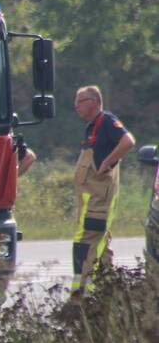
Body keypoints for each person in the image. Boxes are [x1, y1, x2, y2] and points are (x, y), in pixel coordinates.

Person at [69, 85, 135, 296]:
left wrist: (107, 161)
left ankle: (83, 290)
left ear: (94, 102)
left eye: (80, 101)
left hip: (98, 200)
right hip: (88, 201)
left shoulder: (106, 121)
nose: (75, 106)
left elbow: (128, 141)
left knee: (86, 239)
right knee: (100, 240)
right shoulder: (91, 127)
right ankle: (107, 288)